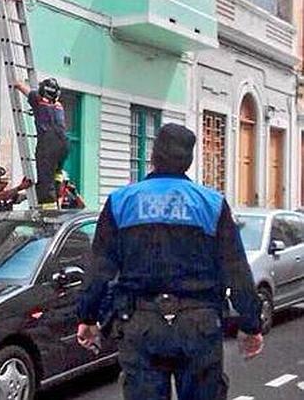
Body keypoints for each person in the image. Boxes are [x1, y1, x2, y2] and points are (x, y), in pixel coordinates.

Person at [76, 123, 263, 400]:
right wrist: (250, 324)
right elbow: (236, 270)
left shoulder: (121, 202)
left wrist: (87, 317)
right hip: (199, 323)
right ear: (188, 160)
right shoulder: (212, 204)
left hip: (140, 323)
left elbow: (99, 268)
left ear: (153, 155)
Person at [15, 78, 69, 209]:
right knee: (57, 173)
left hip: (47, 146)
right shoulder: (59, 107)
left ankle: (48, 214)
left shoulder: (38, 101)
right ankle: (58, 197)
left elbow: (22, 88)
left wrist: (17, 84)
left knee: (45, 183)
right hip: (64, 145)